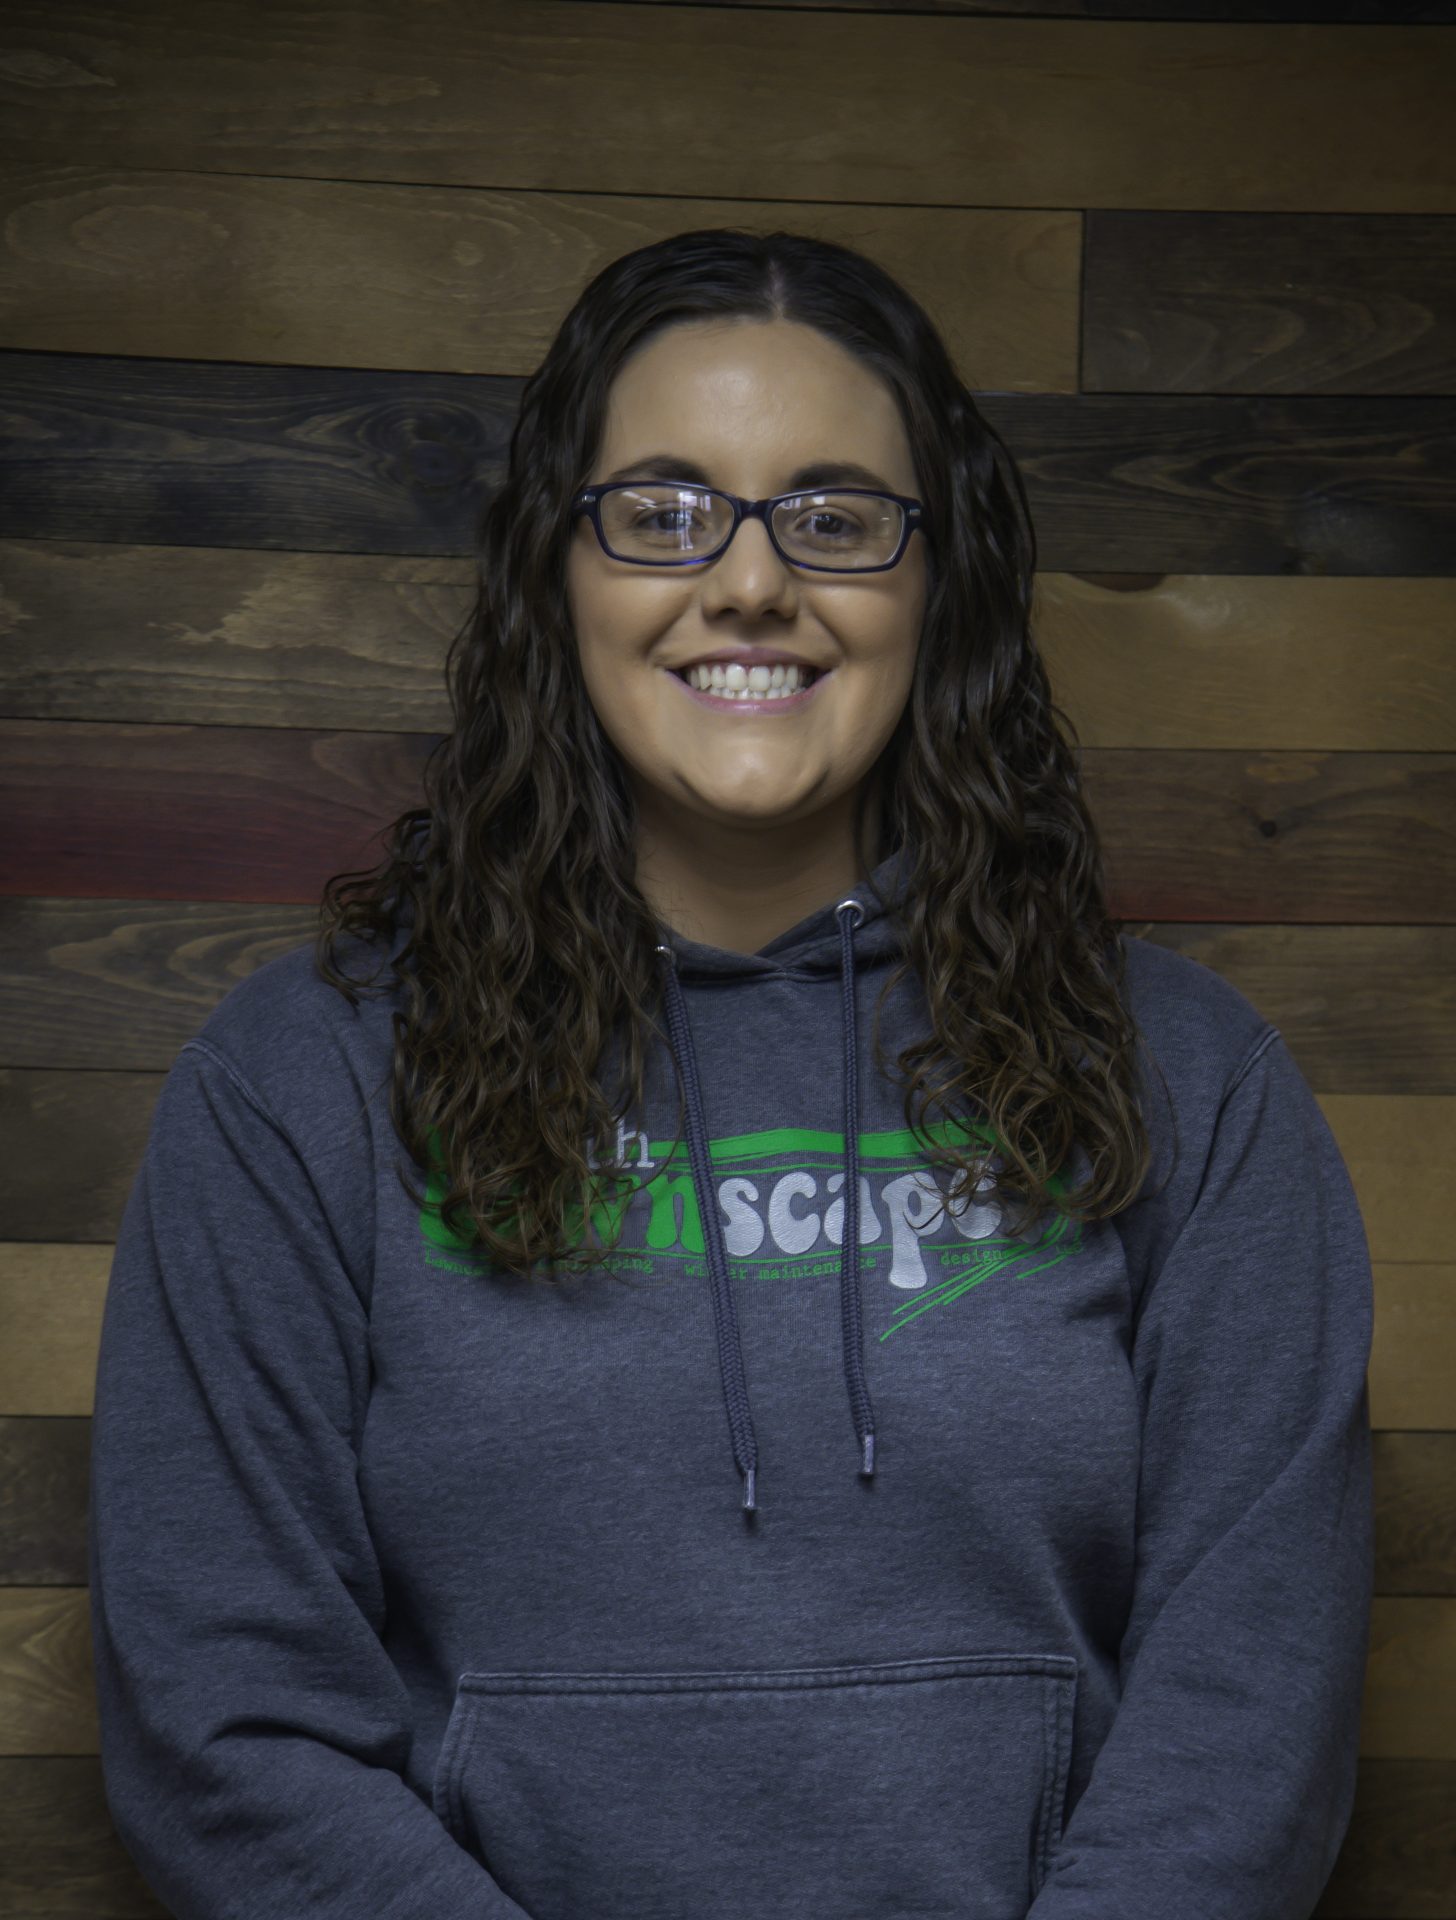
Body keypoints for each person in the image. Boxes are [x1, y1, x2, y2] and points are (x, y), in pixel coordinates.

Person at [87, 228, 1376, 1920]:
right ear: (561, 571)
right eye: (665, 509)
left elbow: (1248, 1720)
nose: (752, 582)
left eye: (835, 516)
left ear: (941, 583)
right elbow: (225, 1726)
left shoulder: (1185, 1081)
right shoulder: (298, 1085)